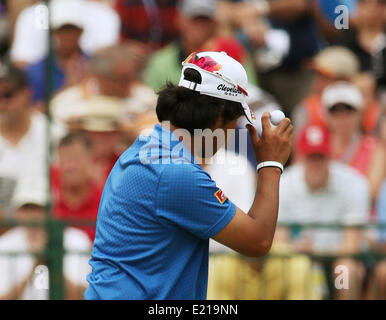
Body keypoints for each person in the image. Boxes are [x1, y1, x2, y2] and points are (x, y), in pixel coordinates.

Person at [84, 51, 293, 299]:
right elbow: (258, 242)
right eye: (234, 123)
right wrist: (271, 164)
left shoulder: (150, 146)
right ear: (218, 116)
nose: (231, 135)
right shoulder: (175, 173)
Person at [276, 124, 370, 299]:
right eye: (311, 157)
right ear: (300, 158)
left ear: (330, 156)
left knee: (346, 270)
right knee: (286, 264)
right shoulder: (284, 183)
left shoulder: (353, 183)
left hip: (336, 261)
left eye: (320, 157)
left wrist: (316, 251)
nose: (315, 163)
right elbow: (279, 242)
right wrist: (298, 250)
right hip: (297, 260)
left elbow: (352, 246)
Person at [0, 178, 92, 300]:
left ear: (52, 210)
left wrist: (52, 263)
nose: (32, 215)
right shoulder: (5, 244)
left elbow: (84, 296)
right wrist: (36, 265)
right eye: (26, 208)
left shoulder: (77, 240)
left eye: (38, 208)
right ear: (17, 212)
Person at [322, 81, 386, 207]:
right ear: (327, 115)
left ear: (360, 113)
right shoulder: (316, 145)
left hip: (360, 217)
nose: (342, 117)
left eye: (348, 109)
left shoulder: (375, 149)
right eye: (335, 111)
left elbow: (372, 194)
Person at [0, 64, 48, 217]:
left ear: (27, 93)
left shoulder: (53, 133)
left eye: (8, 95)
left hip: (43, 229)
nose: (2, 104)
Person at [24, 0, 88, 102]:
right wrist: (68, 87)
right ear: (55, 32)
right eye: (63, 30)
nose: (68, 36)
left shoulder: (94, 63)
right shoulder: (36, 70)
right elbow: (33, 108)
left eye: (72, 30)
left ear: (81, 31)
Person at [292, 46, 360, 131]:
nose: (318, 82)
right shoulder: (305, 110)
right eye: (317, 75)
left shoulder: (362, 108)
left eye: (326, 78)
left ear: (345, 81)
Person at [51, 133, 103, 242]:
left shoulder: (105, 200)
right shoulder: (46, 193)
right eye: (64, 160)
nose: (70, 167)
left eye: (76, 160)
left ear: (90, 160)